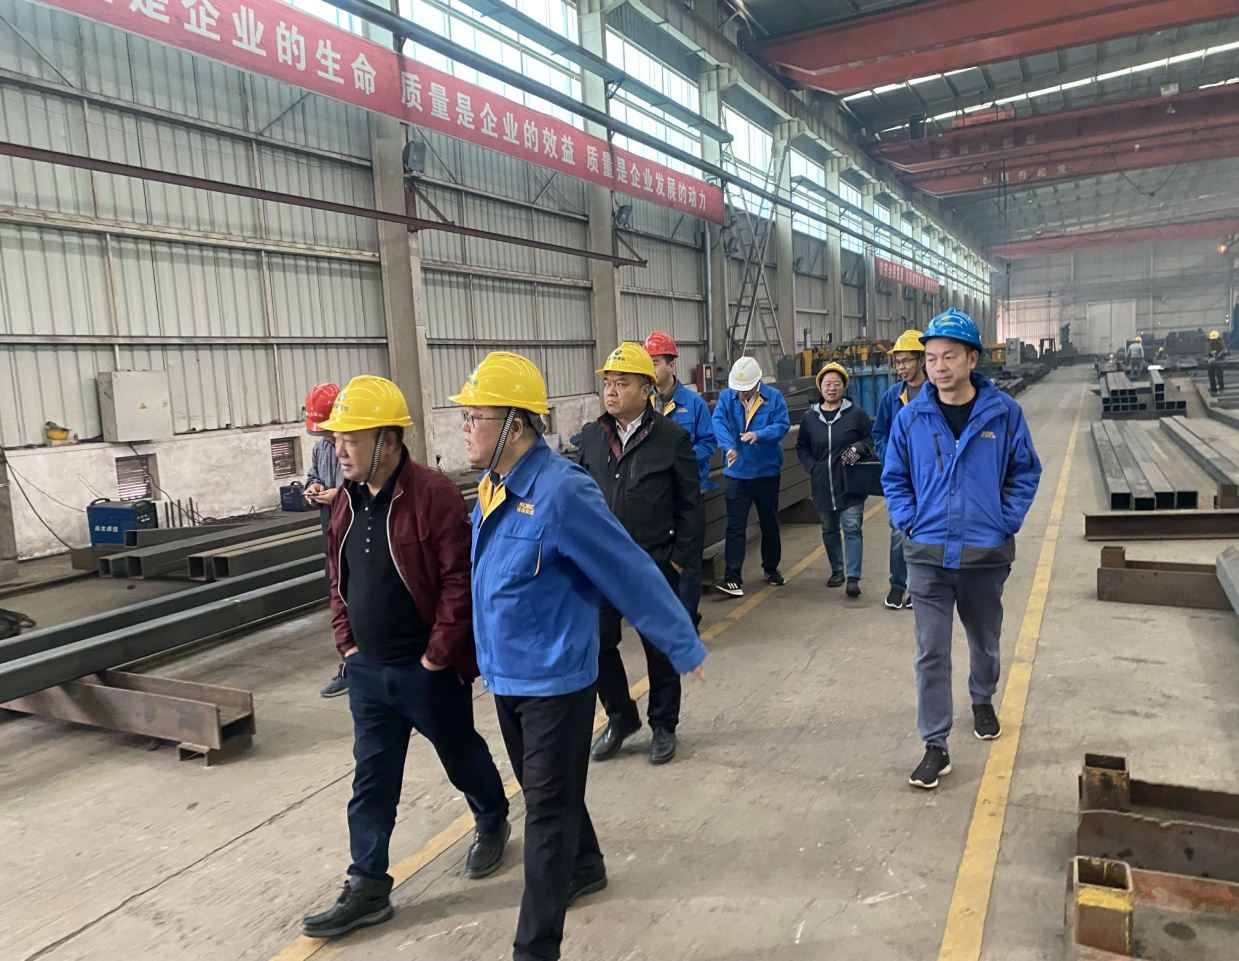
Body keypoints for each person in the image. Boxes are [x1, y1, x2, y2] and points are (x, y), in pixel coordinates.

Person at [451, 352, 707, 961]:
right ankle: (586, 865)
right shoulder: (491, 489)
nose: (464, 427)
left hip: (556, 682)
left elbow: (628, 568)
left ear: (513, 425)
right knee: (550, 792)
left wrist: (680, 641)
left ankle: (535, 948)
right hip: (507, 676)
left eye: (474, 416)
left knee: (544, 814)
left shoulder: (563, 491)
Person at [300, 376, 510, 939]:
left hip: (425, 672)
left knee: (460, 754)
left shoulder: (432, 494)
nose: (338, 450)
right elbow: (337, 575)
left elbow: (458, 581)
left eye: (351, 439)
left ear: (388, 441)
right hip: (368, 672)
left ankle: (492, 818)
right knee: (371, 780)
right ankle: (367, 884)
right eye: (336, 439)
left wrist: (437, 658)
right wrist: (347, 644)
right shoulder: (345, 501)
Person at [882, 309, 1042, 791]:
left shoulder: (1004, 414)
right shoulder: (910, 418)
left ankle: (982, 697)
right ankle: (935, 744)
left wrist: (1004, 521)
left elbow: (1025, 472)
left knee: (984, 643)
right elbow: (894, 477)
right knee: (930, 653)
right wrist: (908, 521)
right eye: (931, 358)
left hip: (983, 556)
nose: (938, 366)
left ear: (972, 359)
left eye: (949, 356)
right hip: (927, 556)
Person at [578, 343, 701, 766]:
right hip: (601, 566)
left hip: (653, 564)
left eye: (622, 383)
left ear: (646, 389)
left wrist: (677, 560)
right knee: (596, 644)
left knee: (660, 649)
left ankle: (664, 725)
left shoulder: (672, 438)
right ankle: (620, 717)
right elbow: (577, 495)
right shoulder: (592, 437)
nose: (611, 391)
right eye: (608, 383)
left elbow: (690, 505)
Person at [644, 331, 717, 631]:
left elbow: (709, 443)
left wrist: (679, 461)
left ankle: (687, 625)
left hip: (687, 496)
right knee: (655, 563)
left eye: (656, 362)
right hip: (654, 499)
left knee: (687, 564)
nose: (651, 369)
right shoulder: (643, 403)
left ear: (671, 364)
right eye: (647, 363)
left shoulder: (694, 404)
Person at [712, 356, 791, 597]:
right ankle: (732, 578)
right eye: (738, 389)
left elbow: (782, 425)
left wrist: (759, 435)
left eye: (746, 390)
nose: (741, 394)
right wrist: (729, 447)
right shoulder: (727, 397)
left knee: (769, 523)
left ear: (757, 383)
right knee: (735, 527)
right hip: (736, 474)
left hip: (766, 472)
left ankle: (771, 568)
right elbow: (718, 422)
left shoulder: (774, 398)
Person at [796, 363, 874, 599]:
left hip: (851, 485)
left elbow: (871, 439)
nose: (832, 388)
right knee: (829, 529)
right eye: (827, 384)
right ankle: (837, 570)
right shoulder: (810, 418)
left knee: (852, 528)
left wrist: (858, 448)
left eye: (837, 384)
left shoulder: (856, 414)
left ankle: (853, 577)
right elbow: (802, 446)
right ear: (820, 387)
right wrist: (813, 467)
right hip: (822, 486)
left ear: (844, 387)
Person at [873, 330, 927, 610]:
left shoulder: (937, 394)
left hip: (930, 477)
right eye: (898, 362)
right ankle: (897, 584)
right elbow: (879, 433)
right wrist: (891, 459)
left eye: (906, 361)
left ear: (922, 360)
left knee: (927, 532)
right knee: (899, 531)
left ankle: (921, 587)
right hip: (901, 479)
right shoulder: (892, 397)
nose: (901, 367)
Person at [303, 382, 349, 698]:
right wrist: (315, 488)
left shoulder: (357, 445)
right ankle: (349, 663)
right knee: (339, 598)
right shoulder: (321, 448)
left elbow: (371, 488)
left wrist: (341, 496)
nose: (330, 439)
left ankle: (359, 664)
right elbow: (313, 475)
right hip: (331, 529)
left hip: (356, 529)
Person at [1207, 330, 1228, 395]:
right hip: (1211, 362)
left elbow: (1225, 352)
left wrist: (1221, 353)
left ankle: (1221, 388)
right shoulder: (1209, 344)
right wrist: (1211, 354)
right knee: (1211, 376)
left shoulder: (1221, 344)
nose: (1213, 341)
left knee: (1219, 375)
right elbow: (1207, 351)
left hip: (1219, 362)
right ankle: (1213, 389)